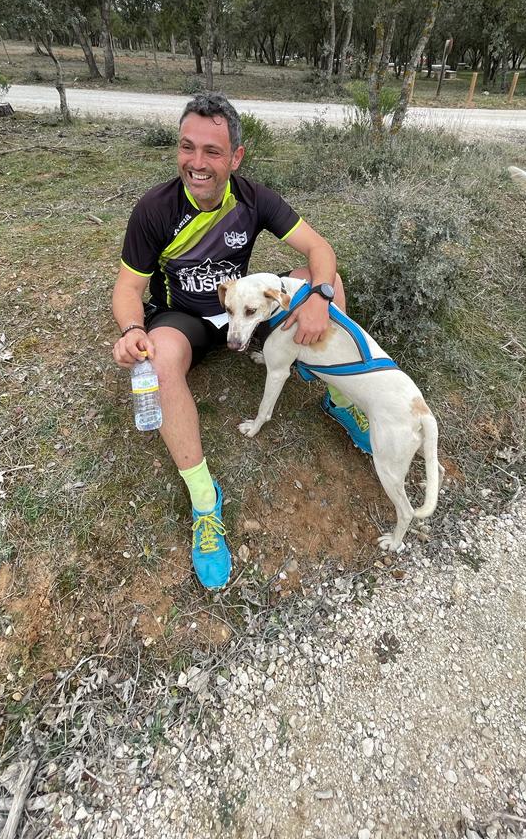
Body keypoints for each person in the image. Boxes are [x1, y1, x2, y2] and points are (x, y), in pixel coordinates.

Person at [111, 93, 368, 590]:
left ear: (236, 157)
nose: (197, 163)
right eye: (188, 148)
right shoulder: (154, 209)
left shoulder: (254, 198)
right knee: (160, 364)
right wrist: (132, 330)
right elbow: (127, 288)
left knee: (330, 287)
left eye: (212, 152)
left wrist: (319, 294)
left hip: (244, 312)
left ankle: (337, 400)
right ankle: (206, 501)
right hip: (182, 319)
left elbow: (319, 248)